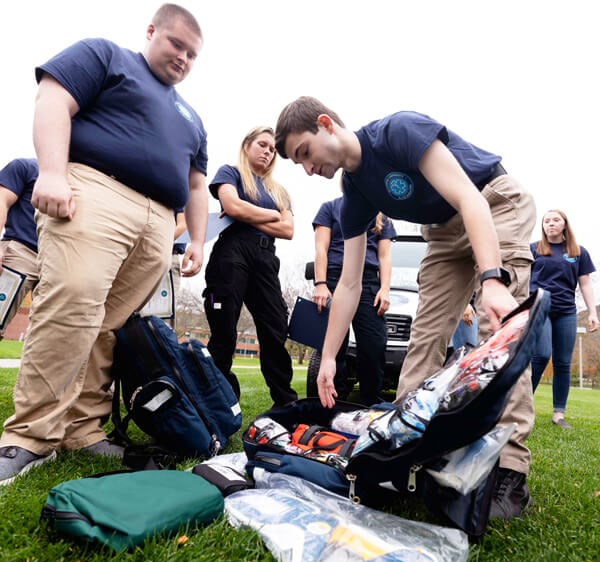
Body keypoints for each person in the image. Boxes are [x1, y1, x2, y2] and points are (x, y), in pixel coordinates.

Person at [275, 96, 536, 519]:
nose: (307, 169)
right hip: (443, 231)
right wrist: (326, 357)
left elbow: (470, 198)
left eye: (304, 153)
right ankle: (407, 453)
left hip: (492, 201)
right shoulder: (353, 191)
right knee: (424, 341)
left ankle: (510, 469)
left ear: (326, 124)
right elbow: (350, 282)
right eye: (297, 165)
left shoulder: (397, 132)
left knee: (500, 332)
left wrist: (491, 279)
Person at [0, 3, 208, 486]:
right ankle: (29, 435)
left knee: (110, 326)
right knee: (71, 300)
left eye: (193, 55)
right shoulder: (107, 56)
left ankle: (82, 429)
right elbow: (52, 98)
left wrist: (196, 239)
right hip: (96, 190)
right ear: (151, 30)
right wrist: (51, 172)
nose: (183, 58)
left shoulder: (192, 117)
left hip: (159, 221)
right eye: (176, 44)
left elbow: (197, 185)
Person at [203, 126, 298, 406]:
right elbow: (232, 206)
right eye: (263, 145)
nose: (268, 152)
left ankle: (285, 401)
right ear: (247, 145)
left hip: (266, 259)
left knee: (274, 328)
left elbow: (288, 229)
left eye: (272, 149)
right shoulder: (230, 173)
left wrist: (246, 212)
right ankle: (218, 404)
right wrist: (270, 215)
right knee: (224, 331)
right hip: (232, 254)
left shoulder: (279, 191)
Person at [312, 198, 396, 403]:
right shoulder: (329, 208)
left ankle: (371, 404)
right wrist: (320, 283)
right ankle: (332, 404)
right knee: (333, 348)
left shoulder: (382, 215)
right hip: (333, 278)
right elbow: (321, 248)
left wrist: (385, 289)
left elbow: (384, 256)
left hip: (368, 282)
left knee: (374, 345)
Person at [530, 209, 599, 429]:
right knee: (540, 355)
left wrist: (592, 313)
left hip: (566, 311)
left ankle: (558, 414)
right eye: (546, 221)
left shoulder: (577, 252)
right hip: (539, 308)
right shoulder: (534, 249)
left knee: (562, 363)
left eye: (555, 220)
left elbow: (585, 283)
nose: (550, 224)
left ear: (564, 224)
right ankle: (521, 404)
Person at [0, 158, 39, 339]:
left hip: (60, 263)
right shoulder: (27, 167)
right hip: (20, 253)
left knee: (50, 340)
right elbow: (2, 200)